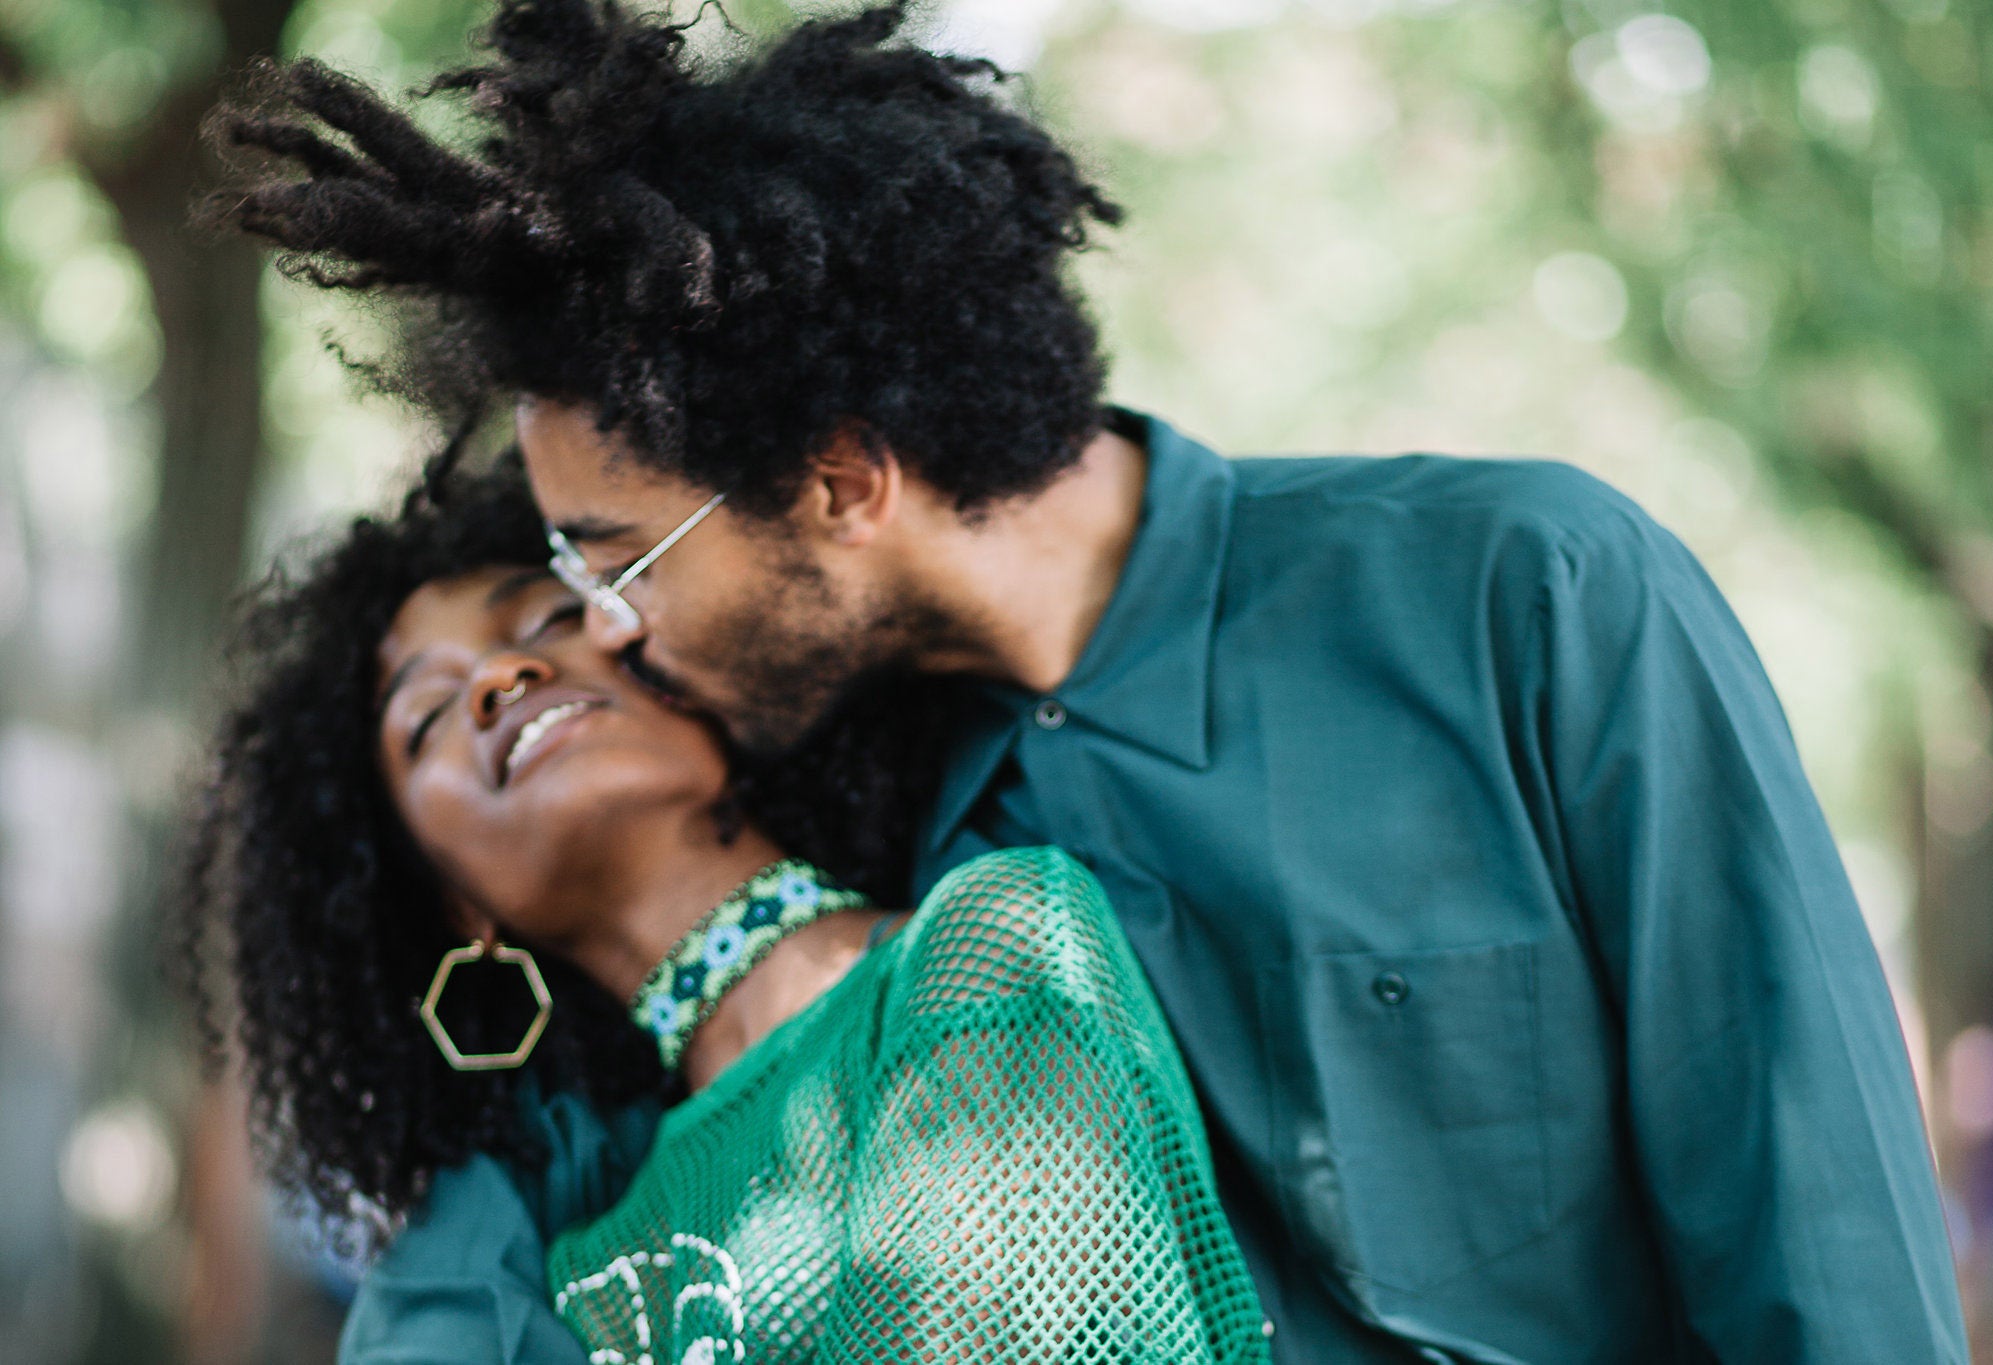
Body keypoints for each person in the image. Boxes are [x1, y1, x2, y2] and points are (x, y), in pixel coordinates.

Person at [207, 1, 1968, 1359]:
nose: (593, 628)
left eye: (609, 558)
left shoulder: (1521, 593)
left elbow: (1813, 1236)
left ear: (836, 478)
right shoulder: (877, 829)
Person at [175, 457, 1270, 1364]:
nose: (500, 676)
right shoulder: (576, 1253)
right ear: (460, 908)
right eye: (423, 719)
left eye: (554, 617)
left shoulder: (988, 942)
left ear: (683, 662)